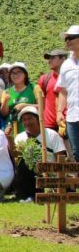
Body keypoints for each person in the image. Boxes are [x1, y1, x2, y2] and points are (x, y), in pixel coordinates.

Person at [9, 106, 66, 202]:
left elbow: (60, 157)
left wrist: (50, 171)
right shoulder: (20, 137)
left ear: (38, 119)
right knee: (23, 162)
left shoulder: (51, 134)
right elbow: (15, 155)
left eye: (30, 119)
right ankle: (28, 195)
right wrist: (9, 138)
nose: (27, 122)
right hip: (30, 172)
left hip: (49, 172)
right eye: (24, 120)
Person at [57, 25, 79, 158]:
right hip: (72, 116)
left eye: (71, 38)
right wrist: (60, 111)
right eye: (66, 39)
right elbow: (63, 90)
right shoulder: (66, 64)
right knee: (76, 154)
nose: (67, 41)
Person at [0, 62, 36, 135]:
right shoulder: (6, 92)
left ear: (25, 74)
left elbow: (43, 107)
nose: (16, 75)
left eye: (19, 72)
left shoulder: (34, 88)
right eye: (13, 73)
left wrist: (25, 106)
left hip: (32, 128)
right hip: (13, 129)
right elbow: (4, 113)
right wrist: (5, 101)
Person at [39, 49, 67, 132]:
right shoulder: (44, 79)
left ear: (63, 59)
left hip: (69, 121)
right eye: (49, 58)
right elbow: (41, 101)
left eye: (53, 58)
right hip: (49, 124)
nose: (49, 61)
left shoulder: (71, 77)